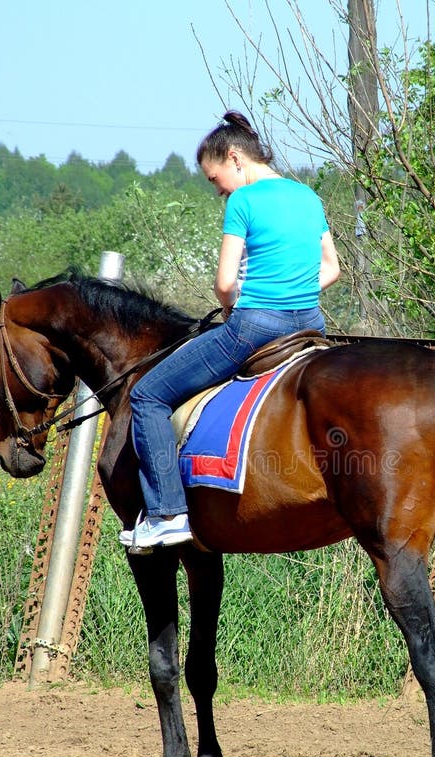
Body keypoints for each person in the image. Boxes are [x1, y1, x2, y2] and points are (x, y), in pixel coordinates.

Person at [120, 111, 340, 551]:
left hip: (256, 326)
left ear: (235, 158)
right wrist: (291, 289)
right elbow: (332, 269)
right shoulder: (307, 196)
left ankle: (166, 515)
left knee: (147, 397)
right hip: (310, 324)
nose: (218, 190)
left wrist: (237, 306)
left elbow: (224, 284)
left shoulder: (244, 201)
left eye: (214, 178)